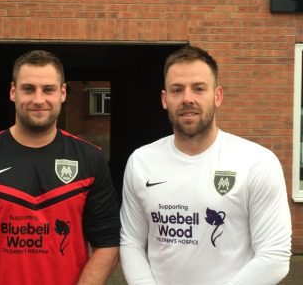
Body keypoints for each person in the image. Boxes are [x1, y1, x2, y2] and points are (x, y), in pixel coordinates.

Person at [0, 50, 121, 285]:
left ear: (63, 93)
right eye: (28, 89)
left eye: (48, 89)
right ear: (13, 92)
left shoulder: (91, 159)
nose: (38, 100)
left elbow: (108, 245)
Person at [119, 45, 292, 285]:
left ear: (217, 96)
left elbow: (275, 256)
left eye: (199, 89)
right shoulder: (141, 161)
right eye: (177, 90)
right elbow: (131, 242)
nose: (187, 98)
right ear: (164, 99)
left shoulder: (257, 162)